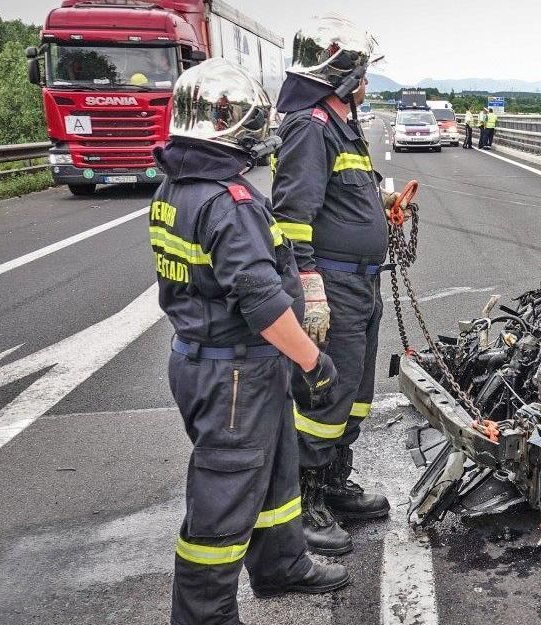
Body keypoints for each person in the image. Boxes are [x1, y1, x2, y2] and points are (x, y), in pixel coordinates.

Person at [152, 58, 350, 625]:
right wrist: (313, 362)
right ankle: (204, 614)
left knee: (274, 470)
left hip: (220, 364)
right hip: (234, 372)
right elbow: (262, 304)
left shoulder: (176, 187)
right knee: (225, 495)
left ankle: (282, 562)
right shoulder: (226, 203)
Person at [270, 13, 393, 557]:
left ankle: (336, 483)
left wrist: (383, 208)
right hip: (335, 286)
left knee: (356, 396)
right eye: (363, 71)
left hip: (363, 285)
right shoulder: (310, 126)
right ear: (344, 73)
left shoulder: (344, 124)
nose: (368, 80)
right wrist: (309, 285)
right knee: (325, 395)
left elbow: (339, 199)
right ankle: (307, 501)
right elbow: (293, 215)